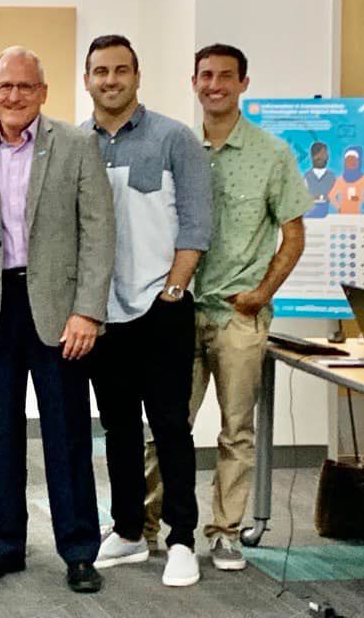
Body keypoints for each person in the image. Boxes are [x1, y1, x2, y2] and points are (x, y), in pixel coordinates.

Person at [0, 46, 112, 593]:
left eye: (25, 86)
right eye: (5, 87)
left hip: (58, 310)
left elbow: (98, 233)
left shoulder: (77, 145)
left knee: (66, 434)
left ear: (43, 92)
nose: (14, 96)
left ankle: (78, 551)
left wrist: (88, 310)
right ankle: (6, 544)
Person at [143, 45, 311, 571]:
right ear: (193, 82)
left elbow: (293, 234)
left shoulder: (272, 154)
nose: (214, 85)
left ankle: (225, 532)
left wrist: (262, 294)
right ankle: (143, 525)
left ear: (243, 83)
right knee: (166, 424)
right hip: (179, 308)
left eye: (225, 76)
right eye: (206, 76)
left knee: (236, 430)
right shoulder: (177, 147)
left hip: (238, 315)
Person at [81, 34, 211, 587]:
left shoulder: (174, 138)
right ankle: (130, 530)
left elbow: (197, 225)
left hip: (163, 307)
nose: (110, 80)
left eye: (120, 71)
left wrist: (173, 290)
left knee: (170, 427)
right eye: (100, 71)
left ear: (137, 76)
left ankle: (182, 539)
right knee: (117, 429)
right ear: (87, 80)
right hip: (102, 312)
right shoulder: (75, 143)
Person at [328, 146, 364, 214]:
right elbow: (331, 195)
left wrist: (362, 199)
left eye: (353, 160)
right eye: (348, 160)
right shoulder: (340, 180)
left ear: (358, 162)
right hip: (343, 215)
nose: (351, 163)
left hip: (358, 216)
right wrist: (338, 207)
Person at [303, 142, 335, 218]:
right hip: (309, 219)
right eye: (316, 154)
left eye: (323, 154)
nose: (319, 157)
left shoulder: (332, 178)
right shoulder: (306, 177)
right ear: (312, 156)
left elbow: (337, 200)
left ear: (327, 156)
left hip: (329, 218)